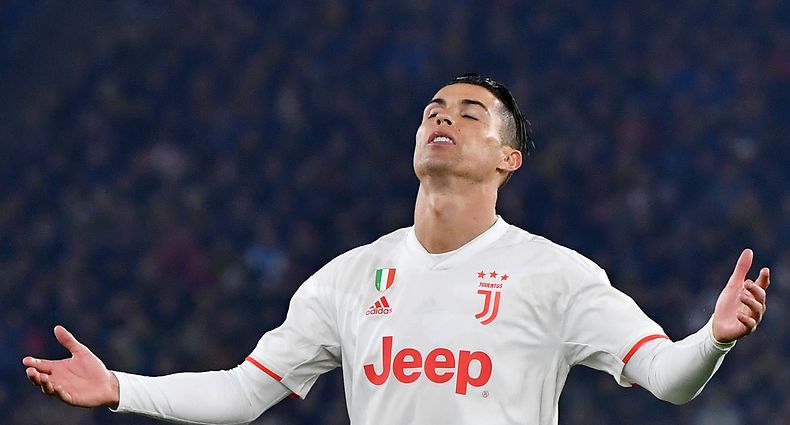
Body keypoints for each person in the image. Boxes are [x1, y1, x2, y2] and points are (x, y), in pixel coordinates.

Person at [23, 74, 771, 424]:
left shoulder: (558, 276)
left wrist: (714, 338)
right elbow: (241, 390)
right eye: (433, 111)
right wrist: (123, 386)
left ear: (509, 158)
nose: (444, 118)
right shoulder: (347, 279)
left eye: (471, 113)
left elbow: (670, 378)